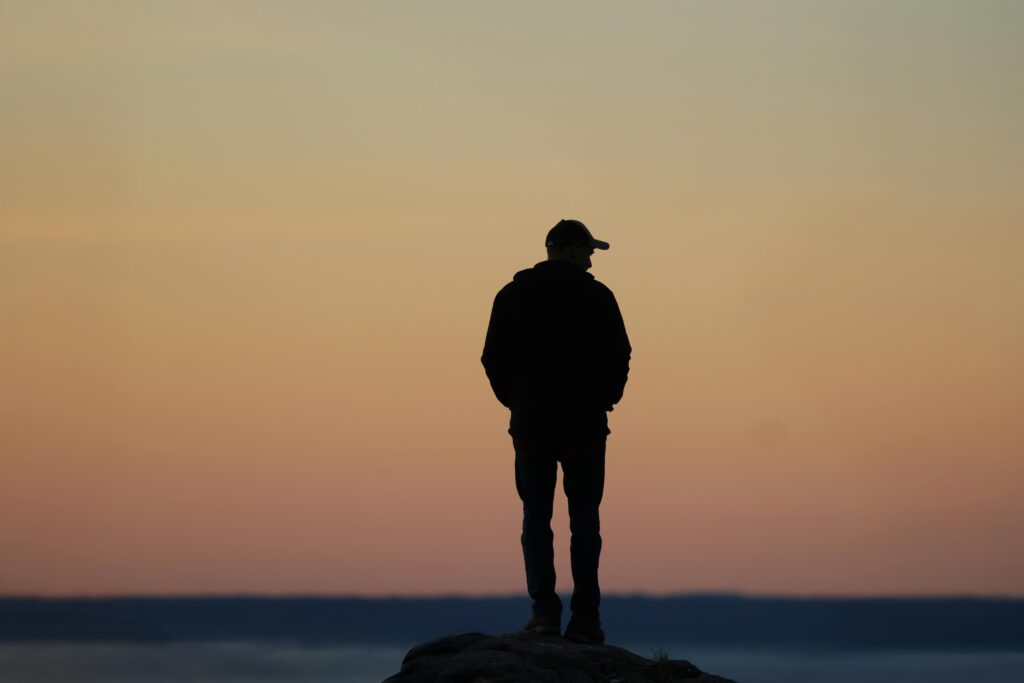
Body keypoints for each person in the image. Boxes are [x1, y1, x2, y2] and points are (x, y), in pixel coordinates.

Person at [482, 219, 631, 645]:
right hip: (585, 427)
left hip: (532, 427)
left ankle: (544, 613)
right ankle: (586, 620)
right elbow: (620, 353)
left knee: (536, 520)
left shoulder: (511, 296)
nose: (590, 260)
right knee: (585, 523)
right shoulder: (597, 297)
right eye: (587, 251)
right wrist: (607, 398)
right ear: (569, 251)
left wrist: (517, 402)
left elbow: (492, 357)